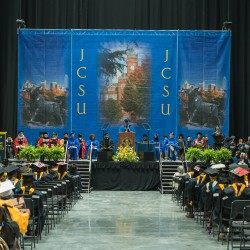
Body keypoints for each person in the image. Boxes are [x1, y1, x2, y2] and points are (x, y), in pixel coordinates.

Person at [0, 180, 30, 246]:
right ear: (10, 194)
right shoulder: (9, 205)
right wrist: (27, 214)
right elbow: (18, 220)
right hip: (6, 231)